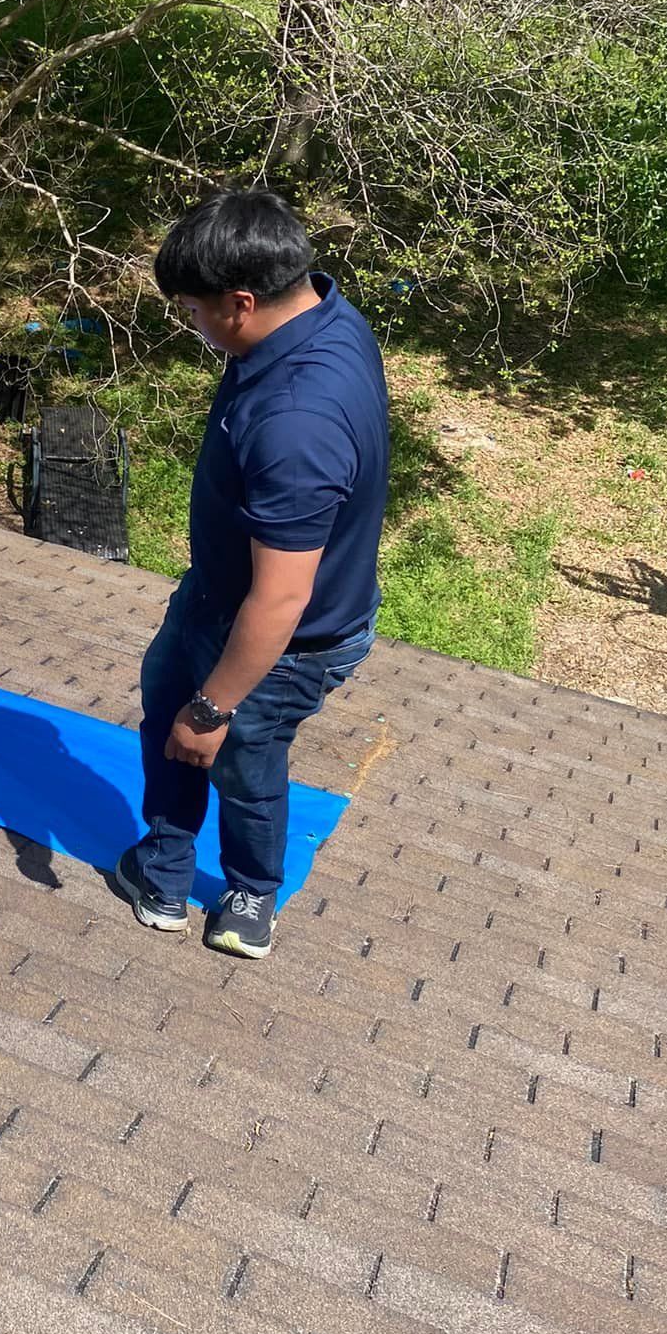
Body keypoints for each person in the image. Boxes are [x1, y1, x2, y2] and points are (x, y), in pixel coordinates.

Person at [114, 188, 388, 960]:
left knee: (238, 754)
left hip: (286, 637)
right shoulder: (316, 309)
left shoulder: (298, 420)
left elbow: (283, 597)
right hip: (212, 599)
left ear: (240, 302)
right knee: (165, 712)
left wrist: (214, 707)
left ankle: (248, 896)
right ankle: (164, 871)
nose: (193, 324)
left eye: (196, 309)